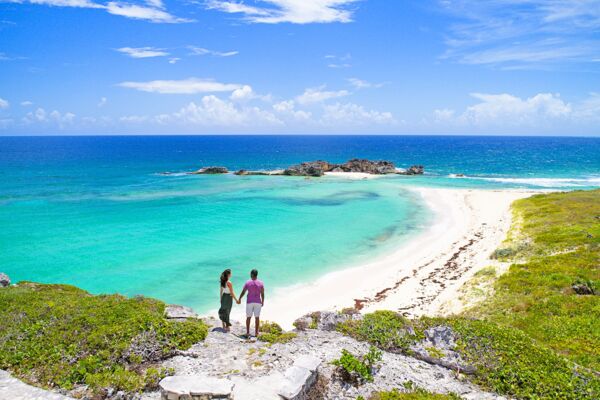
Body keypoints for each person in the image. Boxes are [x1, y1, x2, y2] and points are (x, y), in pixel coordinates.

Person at [238, 269, 264, 338]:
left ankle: (248, 332)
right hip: (258, 302)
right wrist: (263, 301)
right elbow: (262, 293)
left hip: (250, 302)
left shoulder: (248, 282)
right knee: (257, 318)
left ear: (251, 274)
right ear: (257, 274)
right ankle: (256, 333)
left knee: (248, 317)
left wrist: (240, 298)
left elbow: (243, 292)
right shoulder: (261, 283)